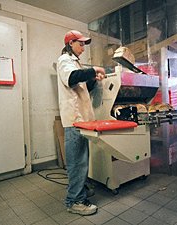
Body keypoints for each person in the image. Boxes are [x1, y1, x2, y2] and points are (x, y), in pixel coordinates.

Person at [57, 30, 105, 216]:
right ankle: (74, 201)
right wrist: (93, 70)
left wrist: (93, 79)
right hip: (74, 120)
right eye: (81, 44)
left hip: (82, 119)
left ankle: (80, 190)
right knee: (77, 163)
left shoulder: (75, 63)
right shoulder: (64, 61)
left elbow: (82, 87)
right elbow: (71, 79)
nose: (83, 48)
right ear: (70, 43)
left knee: (82, 160)